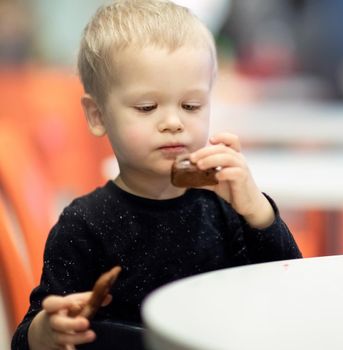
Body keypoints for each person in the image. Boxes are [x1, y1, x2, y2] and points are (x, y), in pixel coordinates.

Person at [11, 1, 302, 349]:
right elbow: (25, 337)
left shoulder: (225, 209)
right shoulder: (84, 224)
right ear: (97, 115)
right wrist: (49, 329)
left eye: (191, 106)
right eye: (147, 108)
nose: (174, 122)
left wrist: (258, 211)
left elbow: (290, 289)